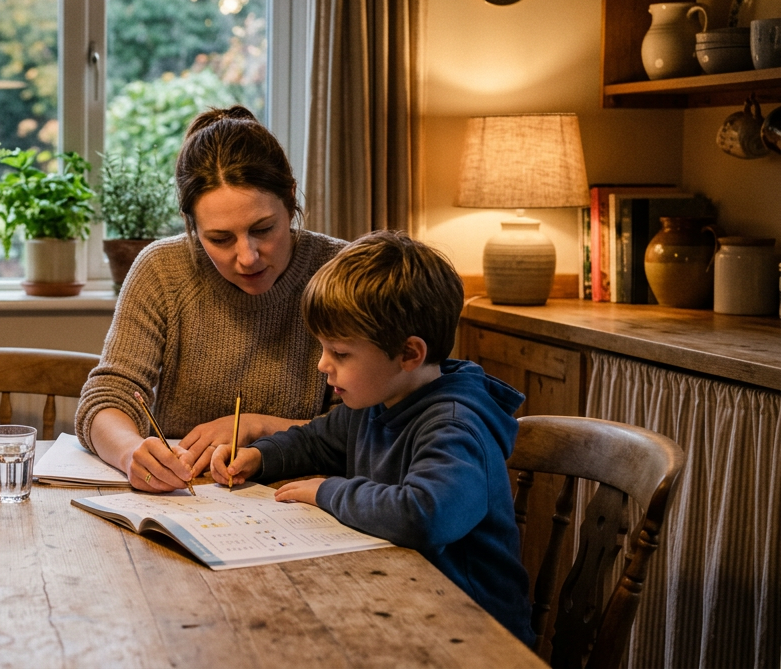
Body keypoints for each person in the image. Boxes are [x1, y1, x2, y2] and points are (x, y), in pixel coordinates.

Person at [209, 230, 534, 645]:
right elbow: (314, 441)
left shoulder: (455, 424)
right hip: (400, 604)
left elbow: (424, 515)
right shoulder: (380, 399)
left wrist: (328, 491)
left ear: (409, 354)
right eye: (323, 348)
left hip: (473, 635)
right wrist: (258, 456)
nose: (323, 365)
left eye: (341, 353)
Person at [75, 106, 346, 493]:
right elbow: (108, 398)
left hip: (306, 499)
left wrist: (258, 426)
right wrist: (131, 453)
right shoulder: (163, 271)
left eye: (263, 229)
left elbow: (372, 425)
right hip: (185, 498)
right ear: (192, 227)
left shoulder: (340, 271)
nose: (248, 256)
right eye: (220, 239)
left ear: (290, 200)